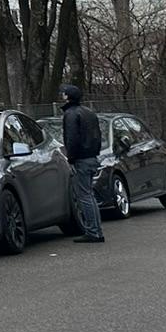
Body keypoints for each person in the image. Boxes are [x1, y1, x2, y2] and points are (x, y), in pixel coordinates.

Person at [60, 83, 104, 244]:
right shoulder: (89, 113)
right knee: (89, 195)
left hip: (81, 159)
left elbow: (72, 139)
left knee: (84, 196)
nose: (62, 96)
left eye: (63, 94)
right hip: (92, 157)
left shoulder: (71, 115)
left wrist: (71, 157)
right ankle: (96, 230)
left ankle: (93, 231)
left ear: (67, 96)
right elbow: (97, 135)